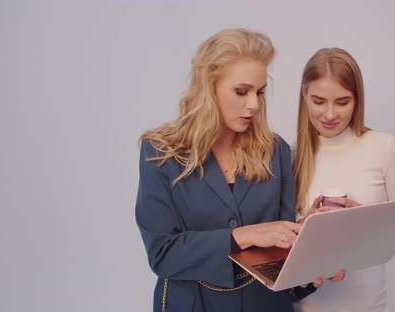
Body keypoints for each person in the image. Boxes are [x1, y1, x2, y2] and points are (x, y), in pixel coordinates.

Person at [135, 29, 341, 312]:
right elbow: (163, 255)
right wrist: (245, 235)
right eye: (242, 91)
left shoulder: (274, 150)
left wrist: (310, 253)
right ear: (209, 87)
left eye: (260, 92)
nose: (254, 104)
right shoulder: (159, 153)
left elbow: (278, 261)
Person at [292, 47, 395, 312]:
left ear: (357, 100)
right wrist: (306, 224)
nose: (329, 114)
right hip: (307, 305)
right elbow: (282, 240)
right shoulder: (292, 156)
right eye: (318, 101)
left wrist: (364, 218)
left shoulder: (384, 148)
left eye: (342, 102)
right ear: (304, 95)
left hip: (367, 304)